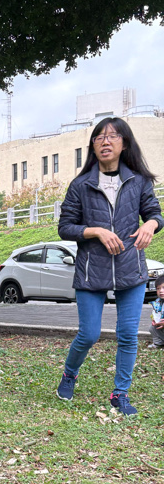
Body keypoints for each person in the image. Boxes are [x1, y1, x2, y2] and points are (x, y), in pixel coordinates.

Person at [55, 117, 163, 416]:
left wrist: (151, 225)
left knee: (127, 335)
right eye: (99, 137)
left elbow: (155, 213)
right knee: (89, 334)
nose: (105, 141)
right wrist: (96, 231)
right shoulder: (81, 185)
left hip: (131, 269)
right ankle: (69, 374)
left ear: (124, 143)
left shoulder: (139, 181)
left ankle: (120, 394)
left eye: (113, 136)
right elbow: (65, 227)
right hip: (92, 270)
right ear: (93, 145)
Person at [149, 275, 164, 348]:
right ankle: (159, 343)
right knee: (152, 328)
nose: (161, 291)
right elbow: (154, 313)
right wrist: (154, 320)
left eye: (163, 288)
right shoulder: (158, 302)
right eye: (158, 288)